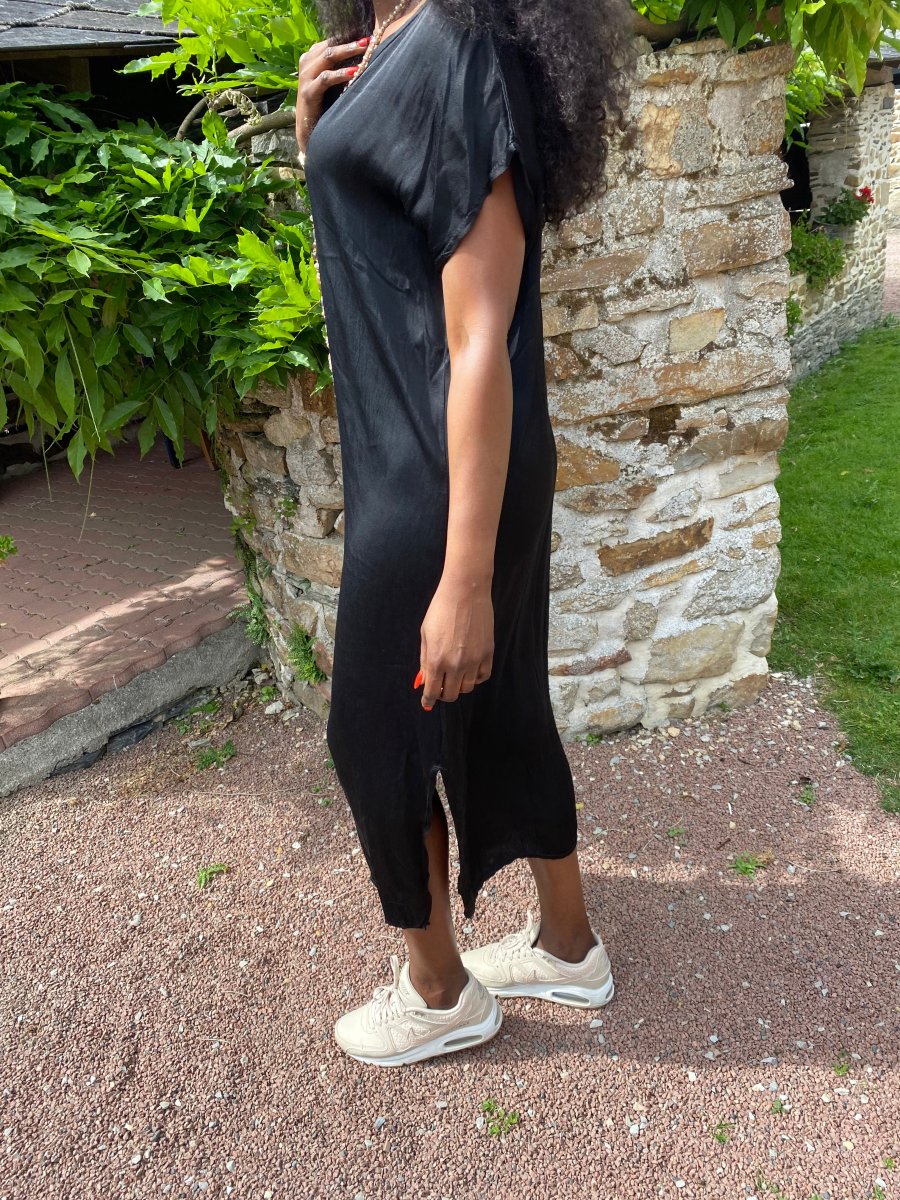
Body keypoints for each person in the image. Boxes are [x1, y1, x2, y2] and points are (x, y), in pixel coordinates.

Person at [297, 0, 633, 1067]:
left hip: (445, 473)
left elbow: (480, 332)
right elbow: (380, 245)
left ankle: (440, 993)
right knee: (506, 708)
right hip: (433, 457)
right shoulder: (386, 43)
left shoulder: (456, 46)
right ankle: (571, 948)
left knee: (372, 735)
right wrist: (316, 140)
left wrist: (466, 581)